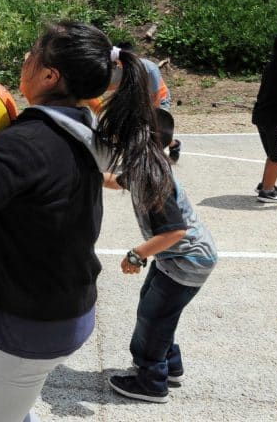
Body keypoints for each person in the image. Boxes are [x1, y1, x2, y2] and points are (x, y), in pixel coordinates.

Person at [0, 21, 169, 422]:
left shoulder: (24, 143)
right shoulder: (85, 126)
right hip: (71, 311)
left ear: (49, 75)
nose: (25, 58)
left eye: (33, 53)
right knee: (16, 408)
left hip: (30, 325)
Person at [104, 108, 217, 404]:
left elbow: (174, 231)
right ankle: (170, 365)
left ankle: (151, 380)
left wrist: (137, 254)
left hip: (186, 259)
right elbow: (117, 181)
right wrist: (87, 175)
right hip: (176, 258)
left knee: (153, 317)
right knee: (156, 309)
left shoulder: (151, 175)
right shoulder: (145, 164)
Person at [252, 32, 277, 203]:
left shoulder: (272, 66)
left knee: (272, 153)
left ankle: (267, 183)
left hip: (262, 116)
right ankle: (267, 191)